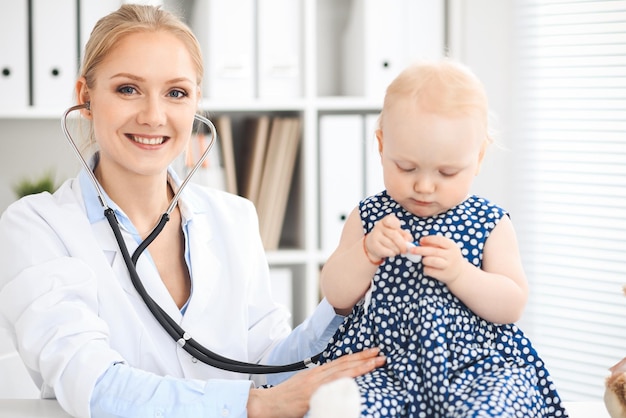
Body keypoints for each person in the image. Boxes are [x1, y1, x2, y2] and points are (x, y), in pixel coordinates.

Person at [0, 4, 385, 418]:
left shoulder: (234, 217)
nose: (153, 116)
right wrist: (254, 406)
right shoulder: (37, 227)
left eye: (176, 93)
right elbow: (94, 385)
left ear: (196, 102)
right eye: (128, 89)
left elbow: (268, 365)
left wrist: (340, 303)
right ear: (86, 97)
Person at [318, 60, 569, 417]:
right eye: (406, 168)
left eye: (447, 172)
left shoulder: (490, 222)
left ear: (478, 157)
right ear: (381, 144)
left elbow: (511, 305)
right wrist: (366, 252)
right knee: (350, 404)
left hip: (477, 366)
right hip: (386, 365)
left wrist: (461, 274)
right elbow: (337, 297)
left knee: (497, 404)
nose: (423, 185)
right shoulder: (370, 217)